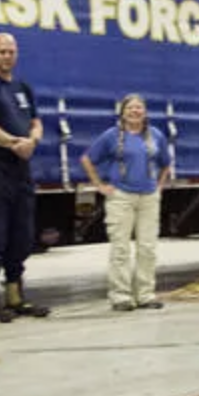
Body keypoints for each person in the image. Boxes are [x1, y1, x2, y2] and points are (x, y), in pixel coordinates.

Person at [0, 33, 52, 322]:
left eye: (11, 51)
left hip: (21, 172)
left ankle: (16, 296)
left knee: (22, 236)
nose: (7, 56)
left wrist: (33, 140)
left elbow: (37, 122)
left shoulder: (22, 88)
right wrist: (15, 143)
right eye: (2, 51)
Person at [81, 94, 172, 311]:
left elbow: (166, 163)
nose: (135, 111)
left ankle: (145, 295)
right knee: (120, 248)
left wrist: (158, 186)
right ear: (122, 112)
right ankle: (121, 296)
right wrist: (100, 186)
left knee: (147, 248)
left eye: (139, 107)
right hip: (121, 197)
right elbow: (87, 159)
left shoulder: (155, 136)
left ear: (145, 112)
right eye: (130, 108)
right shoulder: (112, 136)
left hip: (149, 197)